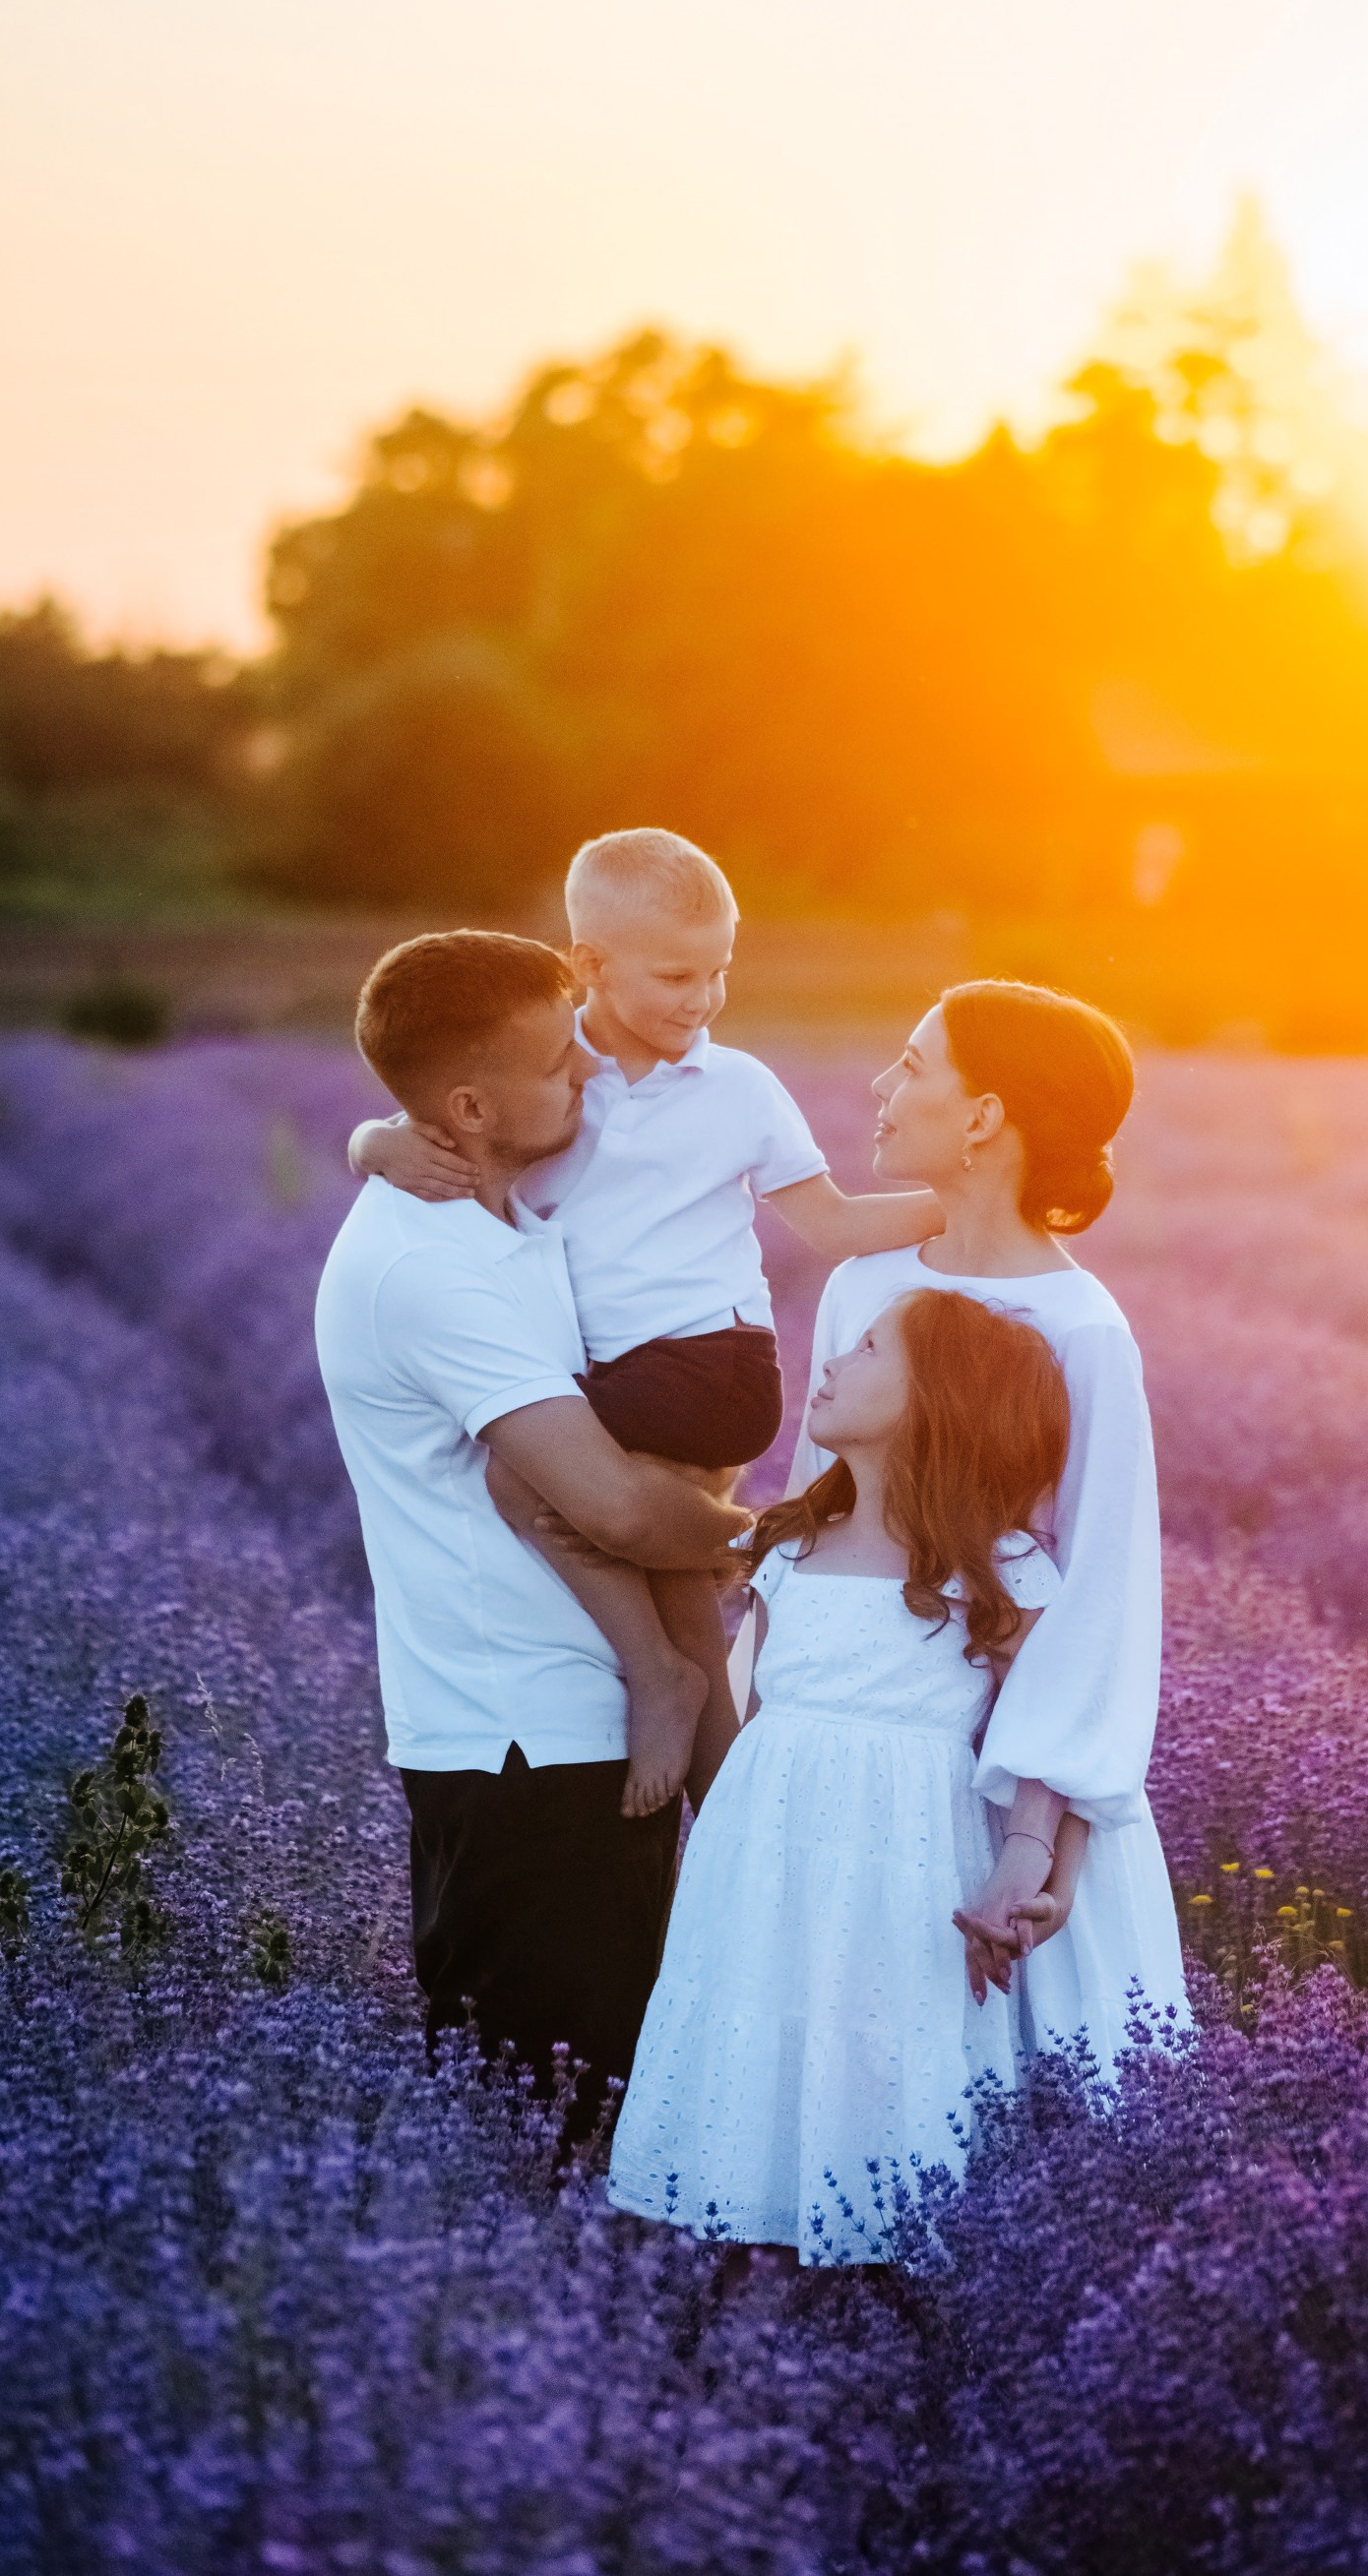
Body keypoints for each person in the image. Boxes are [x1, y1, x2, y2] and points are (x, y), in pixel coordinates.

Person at [347, 828, 942, 1821]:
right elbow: (438, 1119)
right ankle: (726, 1807)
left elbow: (832, 1220)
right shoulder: (549, 1080)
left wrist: (966, 1201)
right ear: (589, 966)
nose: (702, 999)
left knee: (523, 1476)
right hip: (619, 1372)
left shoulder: (738, 1087)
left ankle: (667, 1674)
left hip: (712, 1363)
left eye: (718, 972)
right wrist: (372, 1143)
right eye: (675, 975)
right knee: (657, 1566)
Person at [314, 929, 744, 2141]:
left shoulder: (510, 1207)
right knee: (546, 2134)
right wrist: (772, 1537)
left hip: (574, 1730)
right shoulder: (429, 1267)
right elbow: (603, 1505)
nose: (589, 1078)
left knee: (612, 2118)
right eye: (561, 1064)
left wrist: (372, 1136)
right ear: (467, 1104)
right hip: (523, 1749)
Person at [606, 1287, 1076, 2264]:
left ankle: (879, 2281)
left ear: (939, 1403)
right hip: (768, 1855)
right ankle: (745, 2254)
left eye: (867, 1349)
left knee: (882, 2038)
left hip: (904, 1863)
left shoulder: (998, 1571)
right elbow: (765, 1715)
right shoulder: (787, 1548)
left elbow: (1043, 1741)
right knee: (759, 2019)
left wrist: (1021, 1863)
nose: (832, 1360)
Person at [784, 979, 1188, 2065]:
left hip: (1006, 1791)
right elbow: (812, 1525)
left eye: (912, 1065)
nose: (880, 1085)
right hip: (845, 1779)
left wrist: (1031, 1850)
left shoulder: (1081, 1329)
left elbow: (1097, 1596)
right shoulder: (861, 1285)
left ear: (983, 1117)